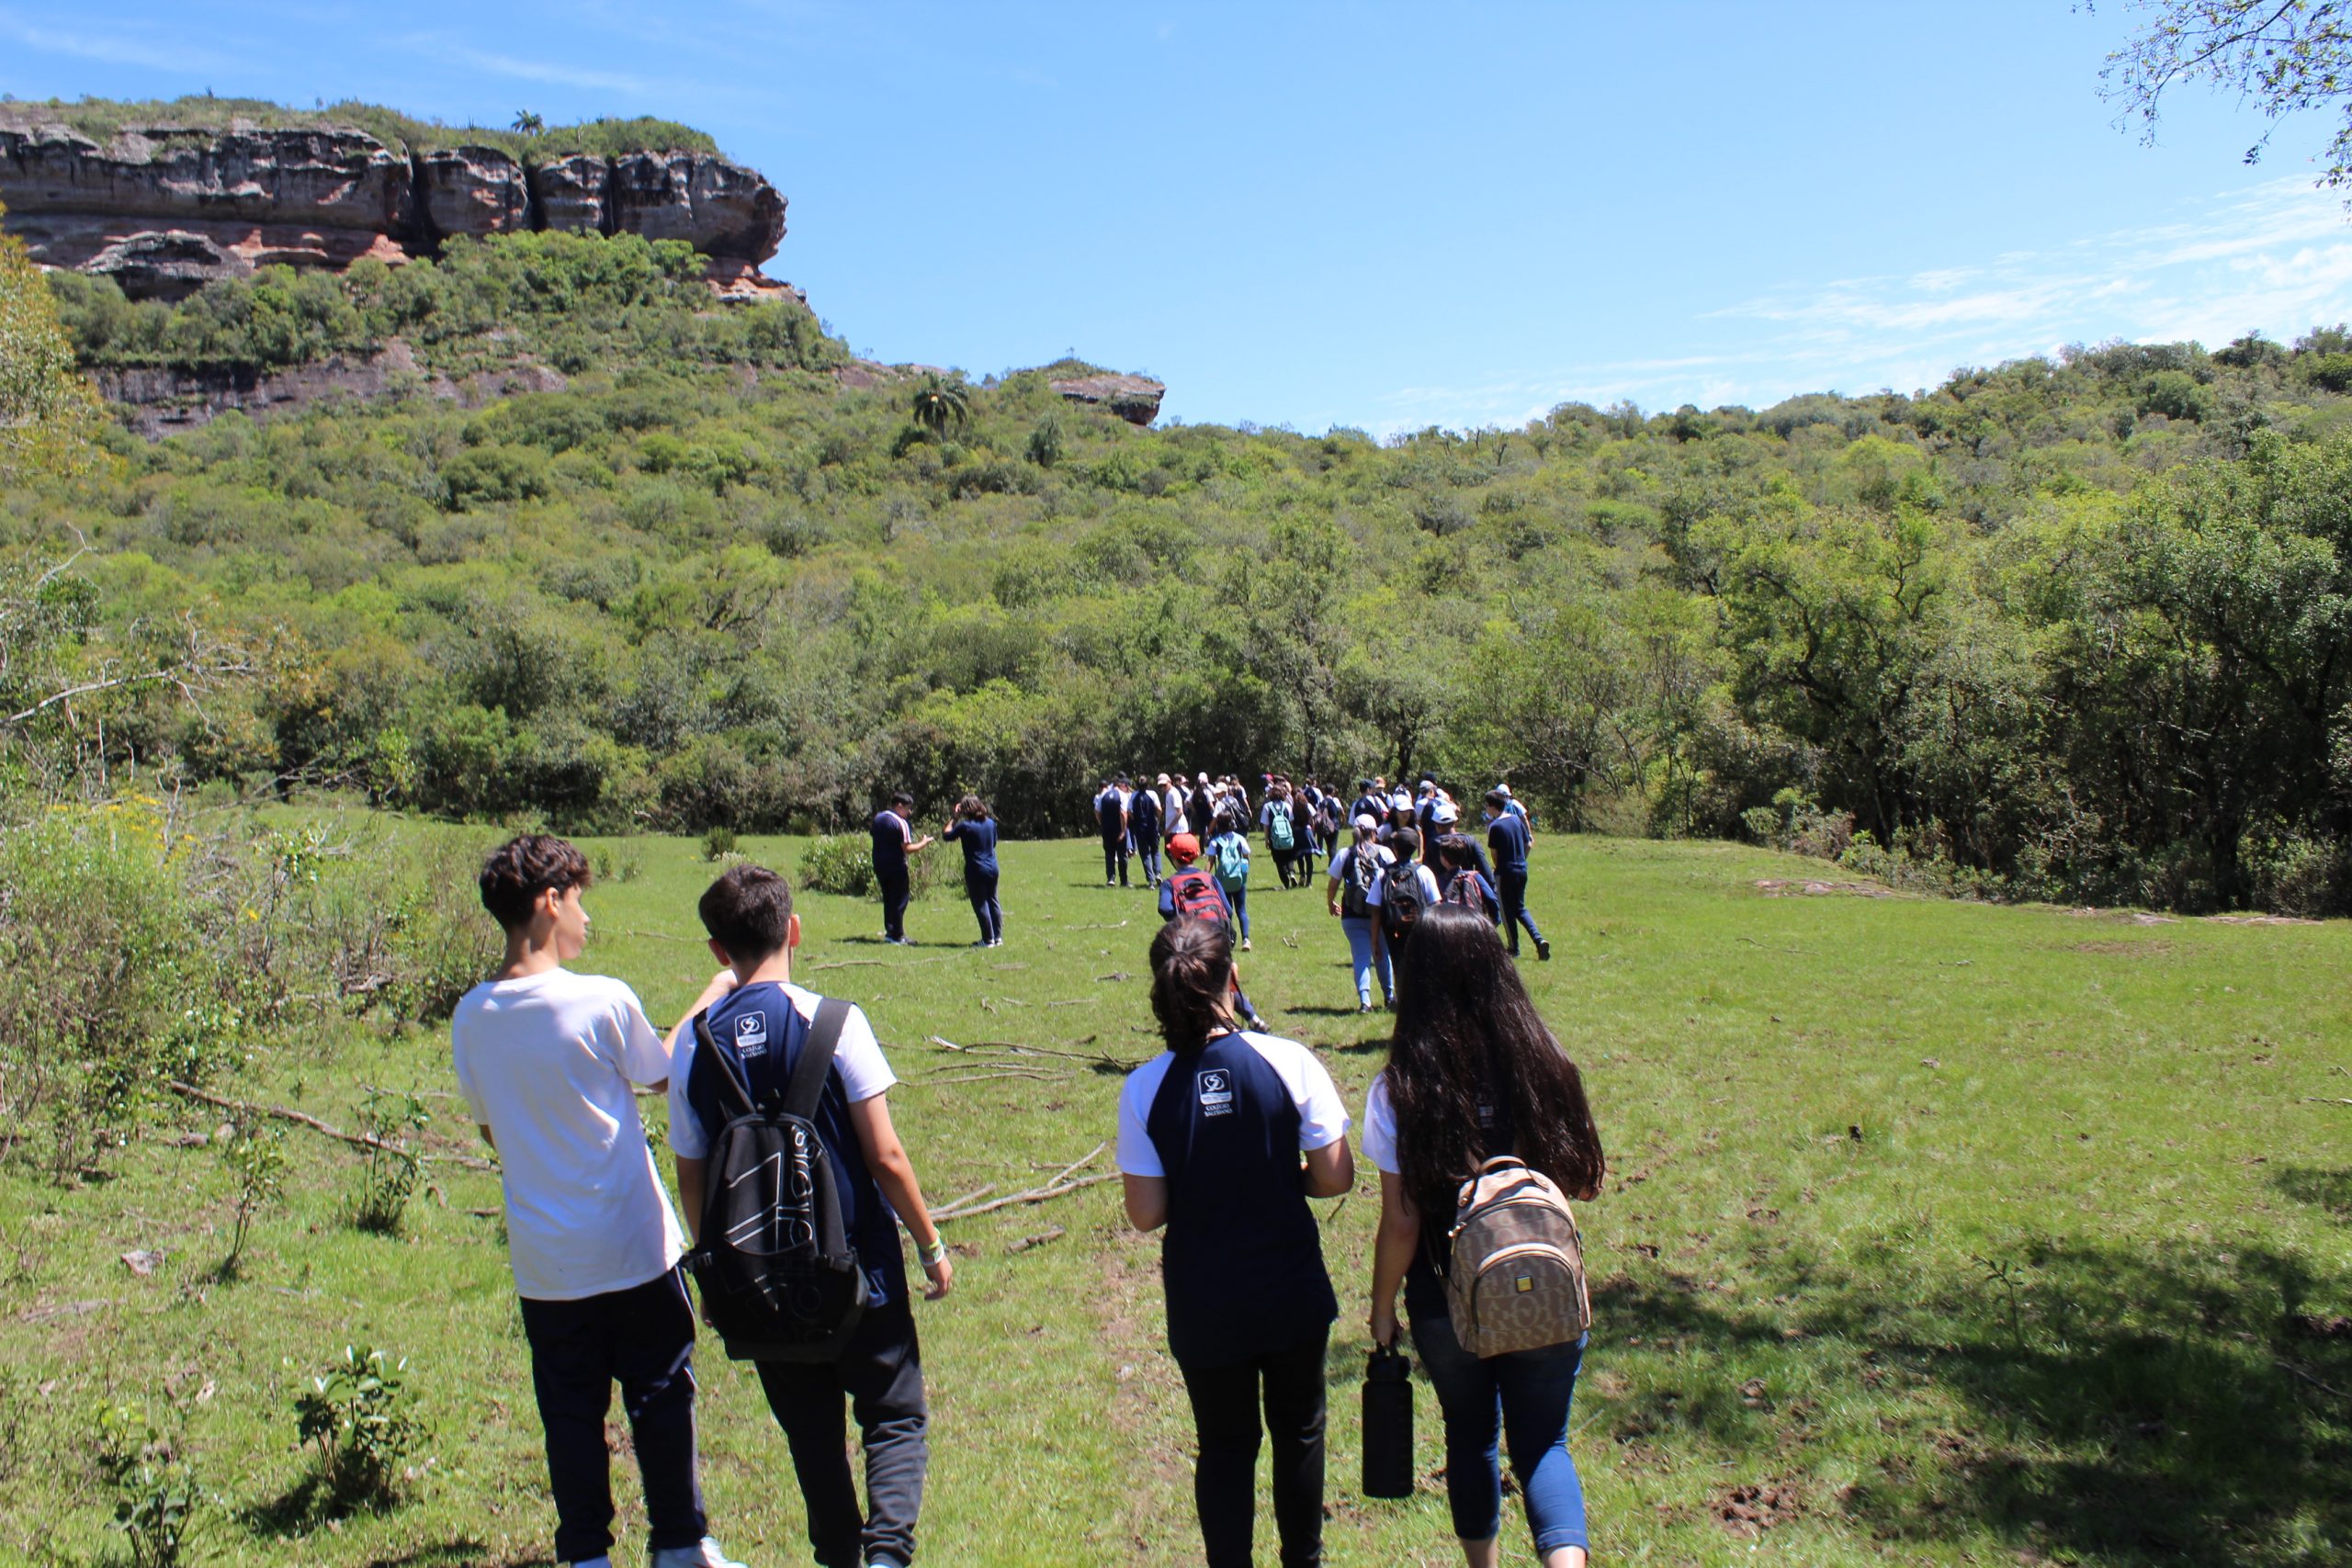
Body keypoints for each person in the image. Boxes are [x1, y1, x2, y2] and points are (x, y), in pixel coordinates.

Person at [449, 834, 745, 1568]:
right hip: (634, 1245)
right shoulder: (602, 998)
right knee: (660, 1395)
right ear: (550, 903)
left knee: (570, 1414)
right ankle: (680, 1544)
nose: (586, 916)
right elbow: (661, 1073)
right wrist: (716, 991)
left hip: (546, 1263)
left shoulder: (471, 1014)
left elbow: (492, 1129)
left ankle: (584, 1553)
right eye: (580, 899)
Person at [670, 863, 955, 1568]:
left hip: (759, 1284)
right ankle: (887, 1554)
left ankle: (840, 1555)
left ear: (717, 951)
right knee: (893, 1413)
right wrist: (929, 1243)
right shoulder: (834, 1021)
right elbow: (885, 1155)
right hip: (859, 1272)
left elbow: (693, 1177)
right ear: (794, 929)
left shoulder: (693, 1048)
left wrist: (716, 1280)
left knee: (811, 1434)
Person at [1363, 904, 1604, 1568]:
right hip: (1547, 1279)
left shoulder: (1399, 1088)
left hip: (1446, 1295)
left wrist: (1382, 1311)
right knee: (1545, 1443)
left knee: (1471, 1437)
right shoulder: (1546, 1062)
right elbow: (1584, 1182)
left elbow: (1402, 1220)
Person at [1117, 916, 1354, 1568]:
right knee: (1299, 1431)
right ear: (1233, 977)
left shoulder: (1144, 1087)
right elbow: (1336, 1175)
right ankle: (1302, 1559)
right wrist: (1279, 1172)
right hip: (1289, 1286)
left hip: (1204, 1297)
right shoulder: (1288, 1059)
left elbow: (1145, 1213)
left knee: (1223, 1444)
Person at [1159, 834, 1270, 1032]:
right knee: (1223, 980)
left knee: (1194, 982)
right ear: (1197, 854)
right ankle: (1252, 1017)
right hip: (1219, 935)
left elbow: (1165, 909)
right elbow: (1227, 909)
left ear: (1173, 857)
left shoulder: (1170, 883)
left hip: (1193, 938)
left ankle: (1204, 1024)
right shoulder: (1209, 878)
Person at [1326, 814, 1396, 1012]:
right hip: (1380, 914)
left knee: (1361, 956)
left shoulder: (1345, 854)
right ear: (1375, 832)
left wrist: (1331, 903)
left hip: (1352, 914)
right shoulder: (1385, 853)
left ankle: (1365, 1001)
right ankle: (1389, 997)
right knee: (1382, 954)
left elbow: (1333, 884)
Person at [1485, 788, 1550, 961]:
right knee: (1520, 908)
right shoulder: (1516, 820)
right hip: (1521, 869)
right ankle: (1539, 939)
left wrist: (1497, 867)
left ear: (1492, 807)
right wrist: (1521, 860)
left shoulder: (1495, 827)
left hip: (1505, 873)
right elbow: (1528, 843)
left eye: (1487, 807)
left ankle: (1514, 947)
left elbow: (1494, 854)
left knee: (1506, 911)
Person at [1369, 826, 1441, 981]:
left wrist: (1374, 941)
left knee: (1399, 966)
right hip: (1421, 927)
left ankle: (1403, 1000)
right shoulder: (1424, 872)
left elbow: (1375, 909)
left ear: (1394, 848)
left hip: (1393, 929)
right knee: (1422, 966)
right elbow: (1436, 905)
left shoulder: (1383, 873)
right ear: (1415, 848)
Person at [871, 792, 933, 946]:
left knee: (888, 899)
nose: (909, 812)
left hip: (879, 864)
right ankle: (898, 935)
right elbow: (907, 848)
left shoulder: (878, 818)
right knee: (900, 900)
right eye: (908, 808)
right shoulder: (900, 822)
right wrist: (924, 843)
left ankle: (890, 931)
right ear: (899, 806)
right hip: (896, 866)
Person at [944, 795, 1003, 947]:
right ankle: (997, 938)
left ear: (964, 810)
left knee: (980, 903)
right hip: (992, 867)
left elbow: (947, 835)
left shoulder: (966, 826)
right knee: (993, 901)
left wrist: (954, 817)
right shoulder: (990, 823)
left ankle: (987, 939)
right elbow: (994, 843)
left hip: (976, 869)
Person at [1206, 811, 1256, 951]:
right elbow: (1246, 857)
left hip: (1222, 881)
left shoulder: (1215, 842)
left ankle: (1228, 938)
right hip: (1239, 879)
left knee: (1226, 911)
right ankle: (1246, 939)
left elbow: (1210, 862)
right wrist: (1244, 873)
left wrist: (1204, 876)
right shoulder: (1240, 839)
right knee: (1242, 910)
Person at [1434, 832, 1501, 922]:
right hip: (1473, 924)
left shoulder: (1439, 881)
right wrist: (1496, 919)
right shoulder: (1475, 876)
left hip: (1450, 925)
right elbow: (1491, 898)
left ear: (1445, 860)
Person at [1260, 780, 1305, 891]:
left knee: (1279, 861)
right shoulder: (1287, 806)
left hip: (1275, 838)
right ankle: (1292, 873)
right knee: (1289, 857)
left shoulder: (1267, 807)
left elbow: (1266, 825)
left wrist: (1266, 839)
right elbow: (1291, 822)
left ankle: (1286, 883)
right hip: (1288, 836)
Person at [1097, 778, 1134, 888]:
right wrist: (1123, 831)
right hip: (1118, 830)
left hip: (1107, 830)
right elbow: (1123, 813)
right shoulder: (1122, 796)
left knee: (1109, 855)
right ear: (1120, 785)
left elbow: (1097, 811)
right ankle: (1124, 881)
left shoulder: (1103, 795)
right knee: (1122, 856)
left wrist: (1101, 823)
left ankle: (1111, 879)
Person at [1132, 775, 1165, 888]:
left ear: (1137, 785)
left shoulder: (1133, 795)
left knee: (1145, 854)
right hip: (1152, 827)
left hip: (1140, 829)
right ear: (1148, 785)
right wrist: (1157, 819)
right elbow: (1159, 809)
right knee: (1155, 851)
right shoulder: (1152, 794)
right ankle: (1158, 873)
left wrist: (1136, 819)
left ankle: (1151, 881)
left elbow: (1129, 811)